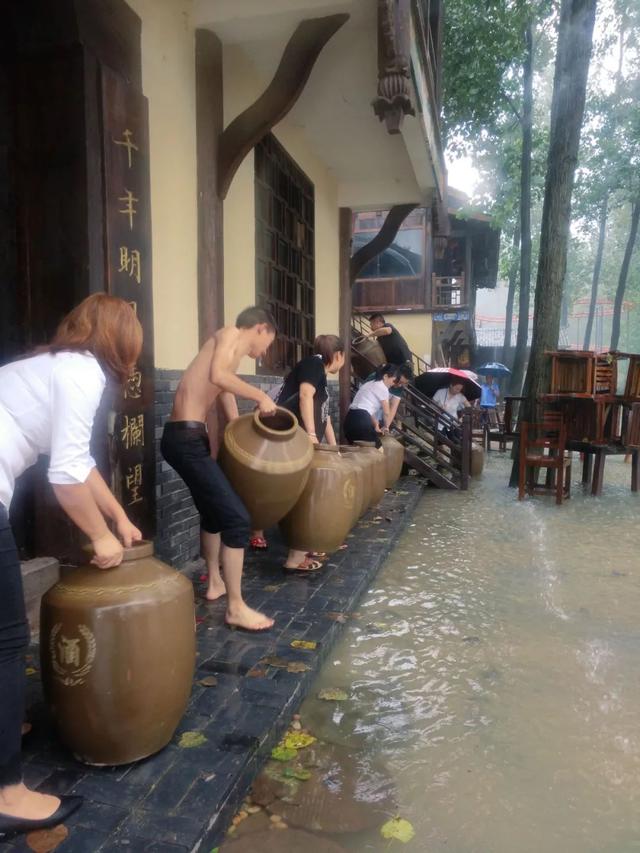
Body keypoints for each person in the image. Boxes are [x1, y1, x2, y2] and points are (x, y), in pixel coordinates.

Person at [0, 294, 143, 839]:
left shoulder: (58, 367)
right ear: (122, 341)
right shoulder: (83, 374)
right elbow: (63, 475)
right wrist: (100, 538)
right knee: (8, 637)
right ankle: (8, 794)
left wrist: (118, 518)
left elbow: (79, 462)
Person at [161, 307, 277, 631]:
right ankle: (236, 608)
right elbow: (218, 377)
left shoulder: (231, 356)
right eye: (268, 341)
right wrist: (259, 395)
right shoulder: (229, 334)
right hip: (184, 438)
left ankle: (215, 581)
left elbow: (224, 390)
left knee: (213, 514)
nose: (265, 350)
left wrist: (239, 429)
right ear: (259, 328)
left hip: (190, 437)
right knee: (237, 519)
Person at [251, 334, 345, 572]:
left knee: (306, 492)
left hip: (299, 440)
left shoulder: (318, 371)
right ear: (338, 355)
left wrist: (333, 449)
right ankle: (295, 557)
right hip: (293, 440)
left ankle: (307, 544)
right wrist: (312, 435)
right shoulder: (314, 364)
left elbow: (325, 416)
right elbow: (304, 395)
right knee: (306, 493)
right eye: (345, 359)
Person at [344, 366, 400, 448]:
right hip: (362, 422)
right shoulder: (383, 388)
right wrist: (386, 427)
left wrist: (376, 426)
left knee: (358, 453)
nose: (393, 384)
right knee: (378, 450)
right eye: (394, 380)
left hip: (349, 420)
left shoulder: (369, 384)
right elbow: (387, 412)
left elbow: (367, 409)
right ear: (385, 376)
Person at [365, 363, 413, 427]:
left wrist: (386, 426)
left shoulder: (399, 387)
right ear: (396, 374)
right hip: (365, 408)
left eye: (404, 383)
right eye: (400, 382)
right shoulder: (376, 377)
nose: (400, 385)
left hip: (378, 410)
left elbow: (393, 408)